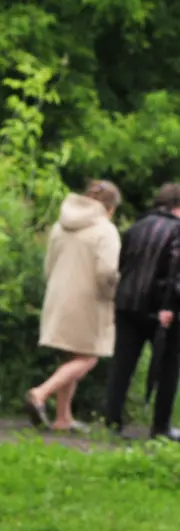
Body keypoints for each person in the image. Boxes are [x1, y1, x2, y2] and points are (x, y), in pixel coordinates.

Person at [104, 182, 180, 440]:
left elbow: (122, 262)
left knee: (122, 363)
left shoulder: (135, 227)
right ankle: (160, 426)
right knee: (168, 366)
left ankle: (111, 420)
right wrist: (173, 305)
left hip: (127, 304)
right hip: (160, 309)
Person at [24, 180, 123, 432]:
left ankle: (62, 417)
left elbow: (49, 265)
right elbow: (106, 273)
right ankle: (40, 393)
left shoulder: (60, 225)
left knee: (71, 354)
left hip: (58, 295)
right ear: (110, 208)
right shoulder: (105, 230)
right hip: (89, 300)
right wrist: (112, 294)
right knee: (89, 356)